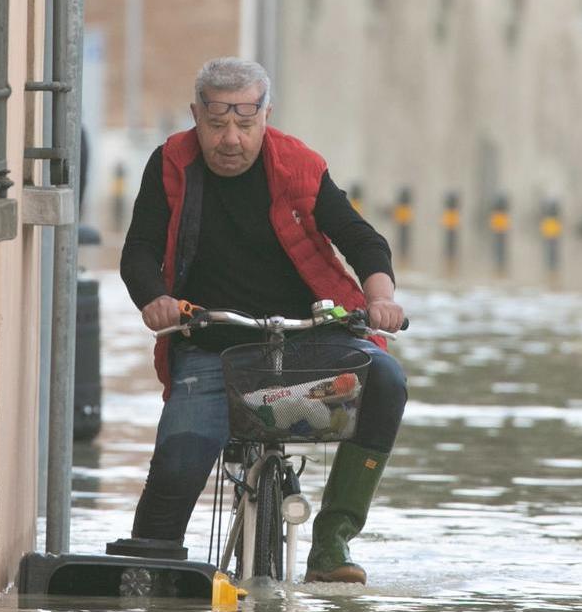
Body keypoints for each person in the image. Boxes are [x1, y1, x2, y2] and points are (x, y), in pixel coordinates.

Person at [118, 57, 408, 583]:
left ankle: (332, 541)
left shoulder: (299, 164)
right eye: (216, 124)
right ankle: (150, 573)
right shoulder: (169, 164)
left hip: (306, 339)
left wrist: (381, 296)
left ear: (266, 117)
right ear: (195, 117)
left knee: (385, 379)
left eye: (246, 124)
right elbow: (138, 250)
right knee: (179, 457)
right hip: (209, 342)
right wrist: (153, 299)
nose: (231, 139)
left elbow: (363, 240)